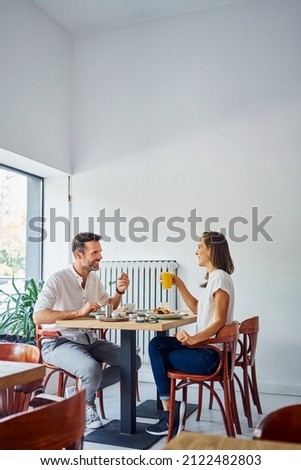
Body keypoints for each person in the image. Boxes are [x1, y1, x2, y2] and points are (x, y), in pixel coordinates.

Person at [33, 232, 141, 429]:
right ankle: (86, 403)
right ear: (79, 255)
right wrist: (78, 313)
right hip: (58, 341)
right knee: (91, 369)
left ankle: (79, 392)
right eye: (95, 252)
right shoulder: (57, 279)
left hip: (87, 338)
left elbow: (109, 305)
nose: (100, 256)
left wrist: (119, 291)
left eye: (100, 252)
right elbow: (39, 316)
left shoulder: (93, 279)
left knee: (133, 360)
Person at [146, 231, 234, 437]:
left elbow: (220, 319)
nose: (196, 252)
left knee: (160, 355)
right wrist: (180, 285)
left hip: (211, 356)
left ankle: (170, 414)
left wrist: (194, 338)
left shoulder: (220, 277)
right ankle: (172, 407)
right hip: (210, 351)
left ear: (211, 249)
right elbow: (197, 308)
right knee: (157, 345)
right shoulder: (215, 278)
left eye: (200, 247)